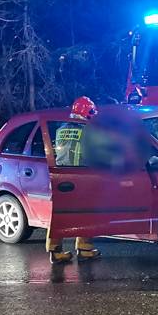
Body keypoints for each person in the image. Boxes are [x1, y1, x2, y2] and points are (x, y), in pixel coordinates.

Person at [46, 96, 101, 264]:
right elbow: (98, 151)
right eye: (91, 112)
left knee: (60, 215)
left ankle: (55, 250)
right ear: (87, 112)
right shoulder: (88, 130)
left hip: (61, 175)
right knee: (86, 213)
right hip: (81, 175)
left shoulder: (62, 128)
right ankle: (84, 248)